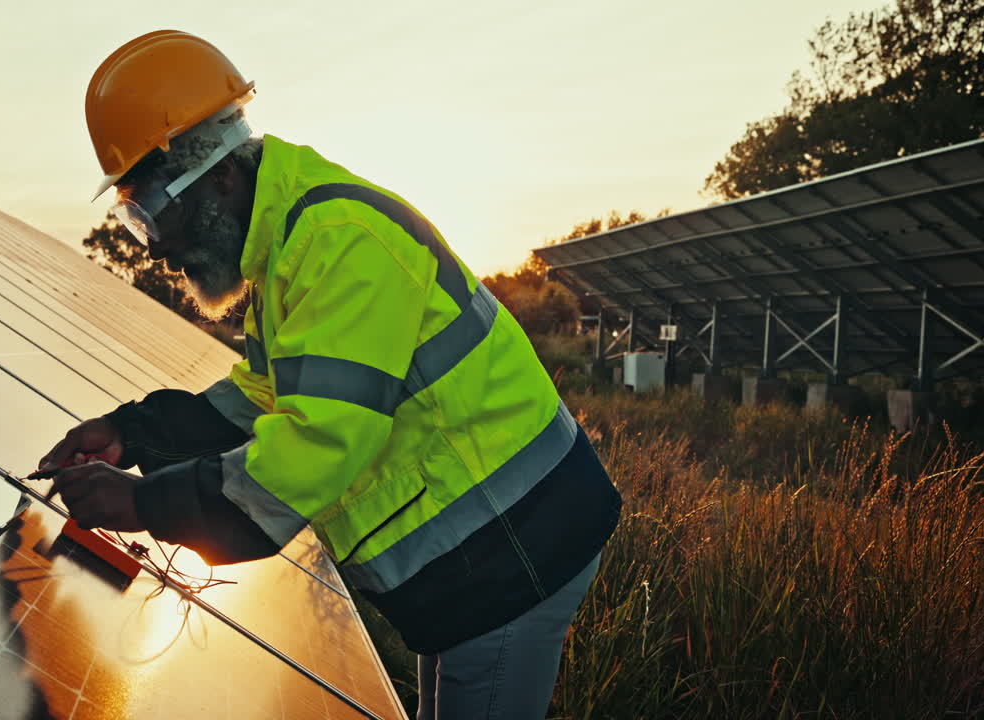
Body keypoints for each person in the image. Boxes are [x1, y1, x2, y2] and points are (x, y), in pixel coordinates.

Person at [40, 30, 622, 720]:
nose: (157, 248)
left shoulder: (340, 243)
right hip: (477, 553)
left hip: (516, 550)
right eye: (137, 221)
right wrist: (131, 434)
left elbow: (317, 445)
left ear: (219, 175)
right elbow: (263, 397)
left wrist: (142, 506)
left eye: (155, 213)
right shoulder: (287, 247)